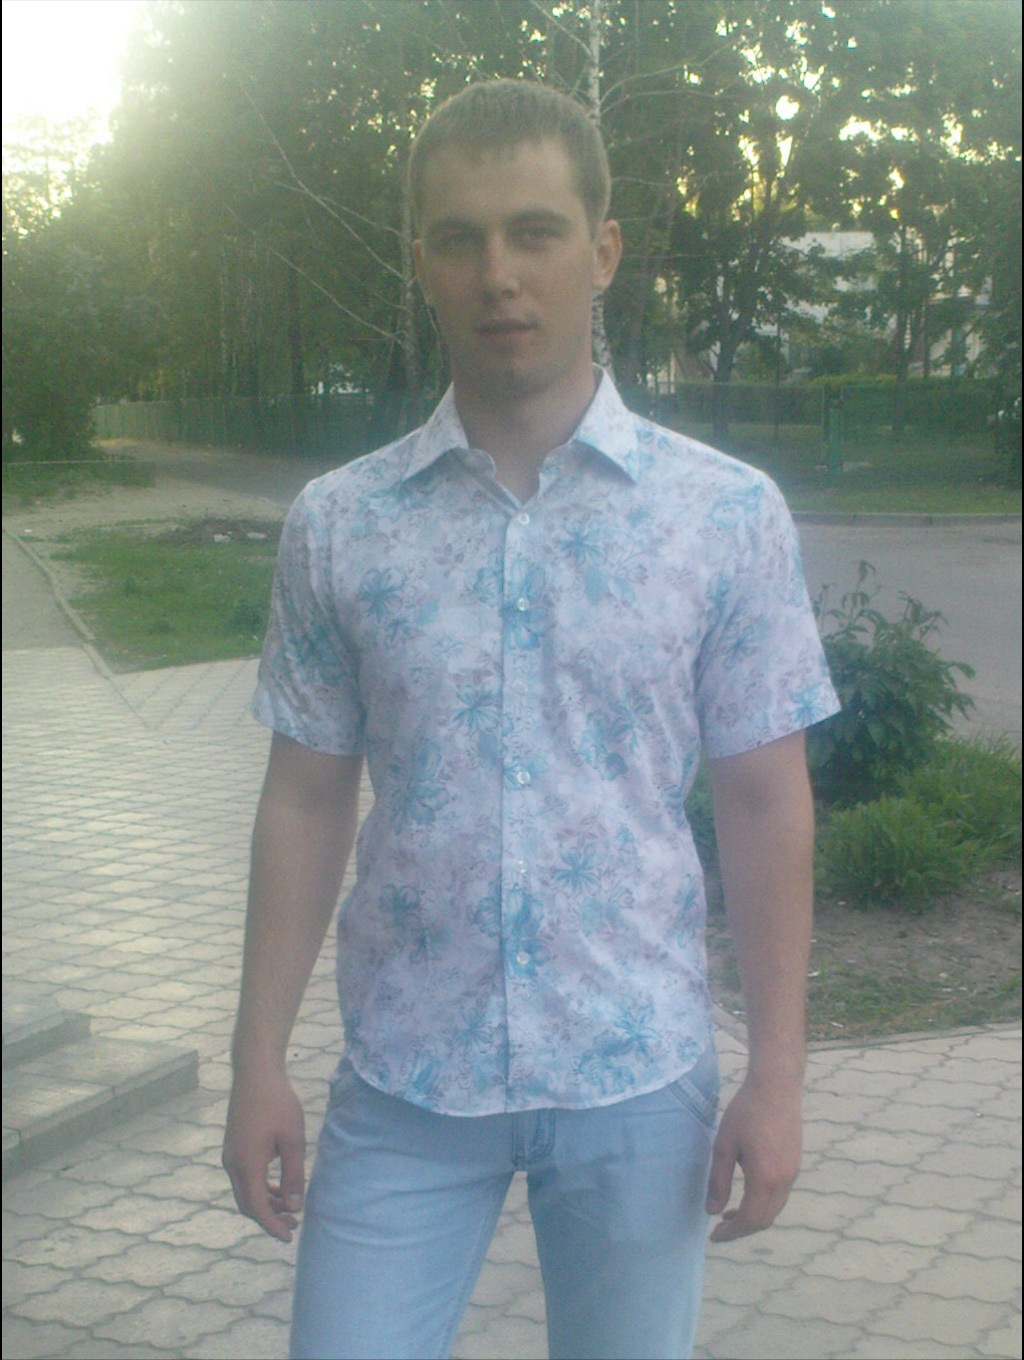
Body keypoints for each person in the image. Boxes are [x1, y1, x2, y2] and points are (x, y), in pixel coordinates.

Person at [223, 79, 839, 1360]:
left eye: (535, 231)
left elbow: (764, 800)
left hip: (635, 1075)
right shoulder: (343, 524)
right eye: (460, 238)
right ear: (422, 265)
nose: (498, 273)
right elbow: (305, 798)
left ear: (601, 250)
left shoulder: (723, 516)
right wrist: (257, 1059)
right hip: (405, 1074)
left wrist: (777, 1075)